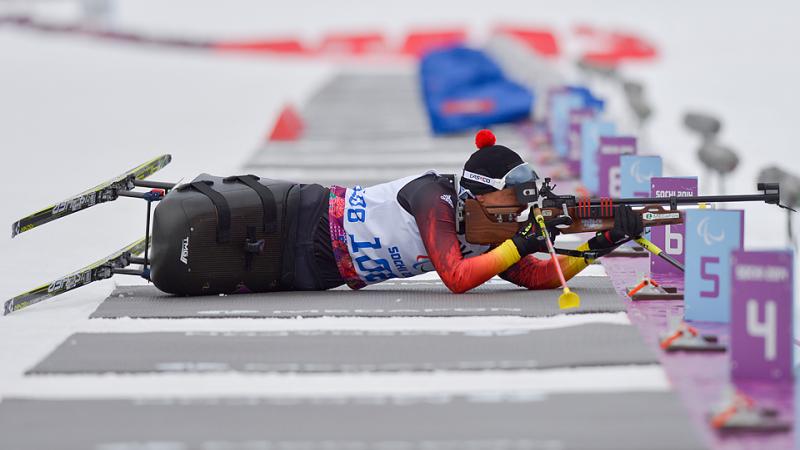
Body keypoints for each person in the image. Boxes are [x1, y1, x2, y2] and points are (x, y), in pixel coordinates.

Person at [291, 129, 643, 293]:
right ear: (482, 193)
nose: (522, 209)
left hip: (317, 274)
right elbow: (457, 279)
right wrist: (520, 245)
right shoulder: (433, 197)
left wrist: (603, 241)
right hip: (297, 219)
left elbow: (539, 278)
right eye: (514, 198)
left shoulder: (490, 229)